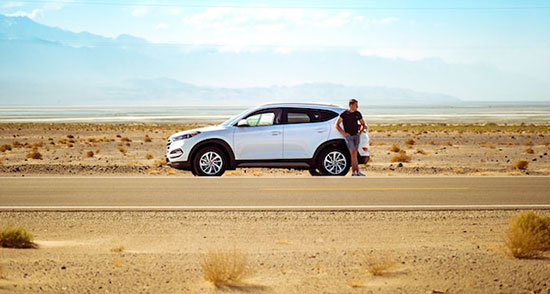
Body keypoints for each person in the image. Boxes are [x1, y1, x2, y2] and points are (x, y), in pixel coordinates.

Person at [335, 99, 367, 176]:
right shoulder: (344, 114)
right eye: (356, 105)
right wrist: (344, 133)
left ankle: (357, 171)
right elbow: (337, 125)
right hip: (349, 137)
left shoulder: (358, 113)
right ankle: (353, 171)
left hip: (356, 136)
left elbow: (363, 123)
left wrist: (360, 132)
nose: (357, 107)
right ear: (351, 105)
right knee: (352, 152)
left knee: (355, 153)